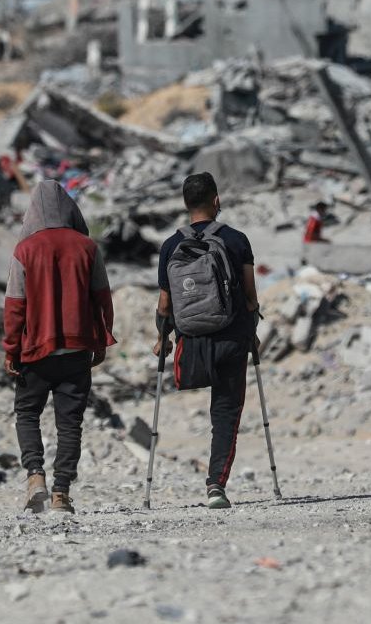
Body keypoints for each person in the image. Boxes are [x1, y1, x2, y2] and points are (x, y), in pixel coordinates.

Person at [3, 180, 115, 515]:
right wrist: (102, 338)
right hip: (77, 349)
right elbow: (102, 297)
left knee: (26, 413)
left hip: (35, 350)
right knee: (70, 424)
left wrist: (11, 349)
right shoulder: (87, 247)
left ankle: (35, 476)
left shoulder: (24, 250)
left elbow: (14, 305)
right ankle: (61, 494)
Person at [155, 172, 258, 510]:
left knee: (212, 406)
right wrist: (252, 327)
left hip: (191, 346)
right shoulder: (236, 240)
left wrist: (163, 338)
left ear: (186, 205)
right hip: (230, 339)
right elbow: (250, 295)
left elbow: (165, 304)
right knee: (226, 412)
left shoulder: (171, 245)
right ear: (216, 200)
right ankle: (216, 484)